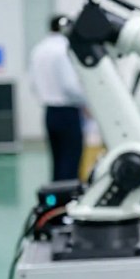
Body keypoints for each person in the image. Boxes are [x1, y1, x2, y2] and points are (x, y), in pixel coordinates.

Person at [28, 14, 86, 182]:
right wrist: (87, 101)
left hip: (50, 112)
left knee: (57, 160)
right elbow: (70, 86)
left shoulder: (38, 49)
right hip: (68, 112)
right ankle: (67, 203)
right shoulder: (63, 49)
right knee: (70, 162)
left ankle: (56, 200)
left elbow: (33, 84)